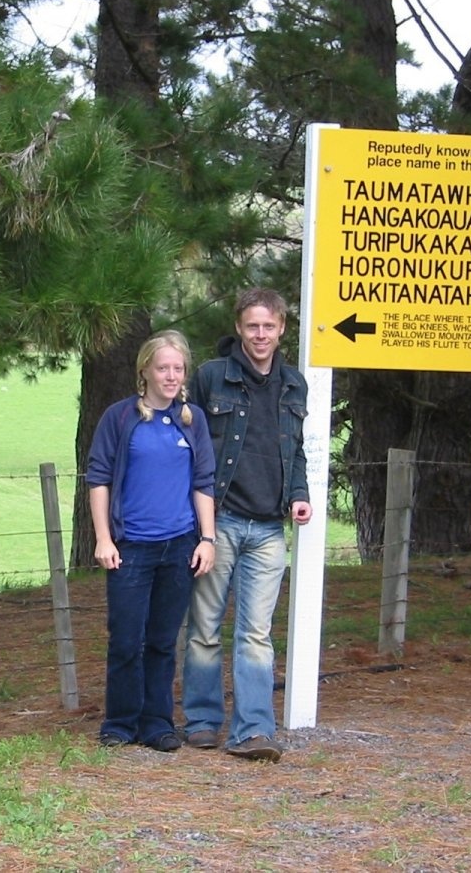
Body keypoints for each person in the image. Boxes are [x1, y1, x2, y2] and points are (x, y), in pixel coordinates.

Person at [181, 287, 312, 763]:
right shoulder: (211, 378)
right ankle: (201, 722)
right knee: (205, 628)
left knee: (257, 634)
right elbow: (189, 448)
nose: (261, 334)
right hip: (219, 523)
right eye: (252, 325)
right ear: (239, 327)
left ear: (281, 330)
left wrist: (299, 495)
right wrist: (198, 523)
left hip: (269, 530)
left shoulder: (295, 384)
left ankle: (254, 731)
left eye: (269, 326)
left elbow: (296, 450)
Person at [87, 330, 217, 751]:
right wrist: (104, 538)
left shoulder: (192, 419)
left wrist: (207, 539)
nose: (172, 376)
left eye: (178, 369)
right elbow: (99, 478)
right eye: (163, 368)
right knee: (126, 639)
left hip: (178, 546)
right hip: (131, 549)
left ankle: (158, 722)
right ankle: (120, 723)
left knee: (163, 641)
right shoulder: (120, 418)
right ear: (144, 369)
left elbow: (203, 482)